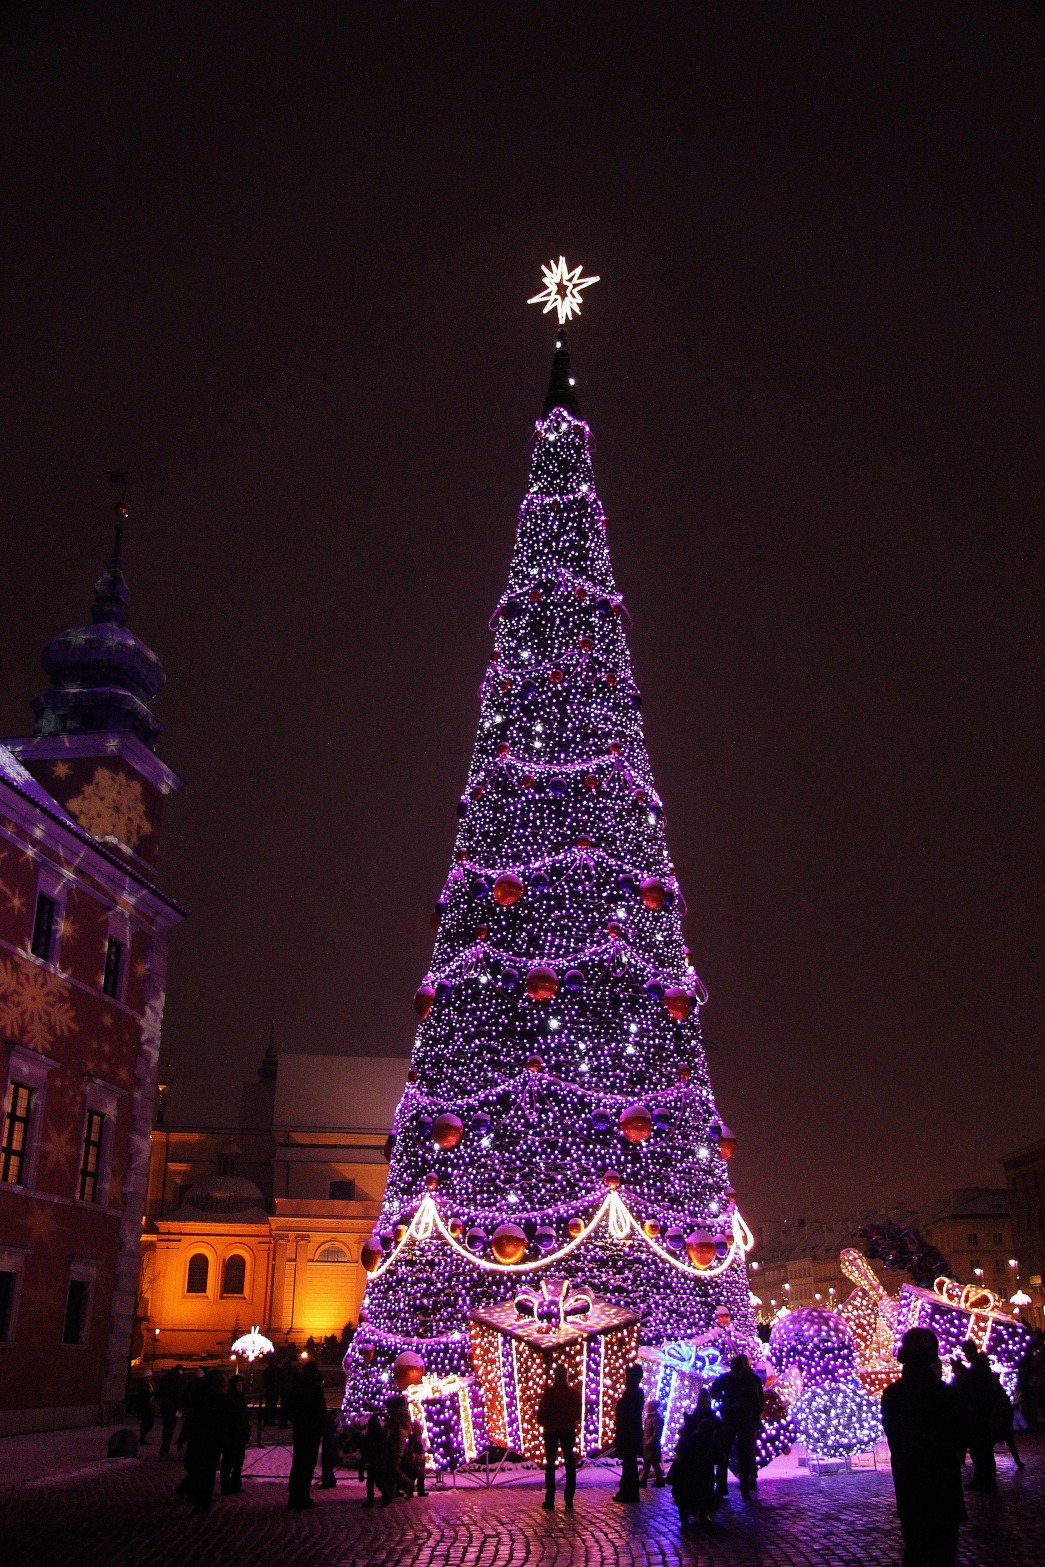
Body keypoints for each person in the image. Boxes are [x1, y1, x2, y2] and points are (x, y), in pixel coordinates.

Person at [882, 1326, 967, 1567]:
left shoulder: (893, 1394)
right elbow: (961, 1437)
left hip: (911, 1482)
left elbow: (894, 1437)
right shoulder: (945, 1393)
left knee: (916, 1548)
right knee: (944, 1550)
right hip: (943, 1482)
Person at [710, 1354, 764, 1500]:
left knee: (742, 1455)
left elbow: (759, 1402)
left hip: (742, 1421)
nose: (737, 1374)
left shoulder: (750, 1380)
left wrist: (748, 1411)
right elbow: (713, 1391)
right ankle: (727, 1488)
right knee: (728, 1454)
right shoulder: (747, 1379)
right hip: (735, 1421)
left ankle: (742, 1487)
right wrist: (724, 1400)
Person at [668, 1394, 721, 1526]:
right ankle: (699, 1511)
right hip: (693, 1477)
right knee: (702, 1487)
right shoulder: (703, 1441)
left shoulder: (692, 1440)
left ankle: (696, 1511)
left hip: (690, 1479)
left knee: (702, 1487)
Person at [181, 1370, 229, 1514]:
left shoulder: (203, 1398)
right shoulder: (221, 1400)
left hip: (201, 1439)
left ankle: (197, 1499)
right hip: (211, 1440)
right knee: (207, 1473)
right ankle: (202, 1501)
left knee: (200, 1471)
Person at [536, 1362, 582, 1511]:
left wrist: (547, 1421)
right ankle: (569, 1498)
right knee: (570, 1463)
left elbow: (541, 1413)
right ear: (566, 1375)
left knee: (550, 1464)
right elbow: (578, 1414)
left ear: (555, 1376)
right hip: (567, 1429)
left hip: (551, 1431)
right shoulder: (574, 1393)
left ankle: (550, 1499)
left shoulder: (549, 1393)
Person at [956, 1344, 999, 1492]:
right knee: (984, 1446)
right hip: (984, 1410)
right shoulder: (981, 1366)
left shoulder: (976, 1369)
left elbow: (967, 1387)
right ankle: (987, 1477)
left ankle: (983, 1478)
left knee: (978, 1447)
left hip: (977, 1411)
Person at [286, 1360, 328, 1510]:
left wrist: (297, 1422)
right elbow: (321, 1411)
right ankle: (303, 1497)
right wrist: (321, 1427)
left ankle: (294, 1497)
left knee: (298, 1465)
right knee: (307, 1465)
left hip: (300, 1431)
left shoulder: (297, 1387)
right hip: (311, 1432)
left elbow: (289, 1408)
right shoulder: (315, 1388)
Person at [612, 1363, 645, 1503]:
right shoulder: (637, 1393)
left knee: (629, 1464)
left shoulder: (632, 1393)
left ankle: (628, 1492)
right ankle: (627, 1491)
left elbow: (625, 1414)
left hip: (628, 1433)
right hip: (633, 1432)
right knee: (629, 1463)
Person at [220, 1374, 251, 1495]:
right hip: (232, 1434)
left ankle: (235, 1483)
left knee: (239, 1460)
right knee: (228, 1461)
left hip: (240, 1433)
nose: (240, 1387)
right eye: (238, 1385)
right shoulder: (229, 1399)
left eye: (242, 1385)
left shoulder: (241, 1398)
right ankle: (226, 1485)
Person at [360, 1410, 385, 1507]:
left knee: (372, 1481)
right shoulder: (381, 1433)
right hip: (378, 1459)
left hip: (373, 1460)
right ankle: (383, 1496)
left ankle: (372, 1499)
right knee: (375, 1480)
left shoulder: (370, 1435)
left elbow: (365, 1450)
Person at [639, 1397, 666, 1487]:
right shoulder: (650, 1417)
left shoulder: (657, 1418)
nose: (646, 1408)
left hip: (652, 1446)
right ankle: (646, 1480)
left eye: (647, 1407)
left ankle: (647, 1481)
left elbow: (657, 1432)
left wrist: (649, 1442)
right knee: (649, 1463)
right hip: (648, 1445)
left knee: (652, 1463)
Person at [158, 1364, 184, 1455]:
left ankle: (164, 1447)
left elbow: (160, 1391)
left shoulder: (166, 1377)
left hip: (165, 1406)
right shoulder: (177, 1379)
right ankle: (165, 1448)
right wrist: (180, 1405)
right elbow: (178, 1394)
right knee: (170, 1427)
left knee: (166, 1427)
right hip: (172, 1407)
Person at [318, 1405, 341, 1489]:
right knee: (328, 1466)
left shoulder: (329, 1430)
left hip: (329, 1450)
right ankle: (331, 1480)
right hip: (331, 1449)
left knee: (327, 1465)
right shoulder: (332, 1429)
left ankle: (326, 1482)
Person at [405, 1419, 428, 1498]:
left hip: (419, 1458)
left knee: (419, 1476)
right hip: (416, 1458)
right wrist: (413, 1454)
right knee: (414, 1475)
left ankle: (418, 1491)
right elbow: (412, 1447)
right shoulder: (413, 1437)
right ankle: (412, 1491)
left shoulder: (419, 1437)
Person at [137, 1373, 157, 1445]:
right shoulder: (144, 1385)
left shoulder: (149, 1384)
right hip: (146, 1406)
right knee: (147, 1422)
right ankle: (142, 1438)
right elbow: (145, 1395)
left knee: (148, 1422)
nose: (150, 1378)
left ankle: (143, 1437)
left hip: (149, 1405)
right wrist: (152, 1394)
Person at [261, 1355, 280, 1426]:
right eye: (273, 1361)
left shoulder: (277, 1370)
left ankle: (271, 1420)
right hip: (270, 1390)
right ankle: (266, 1421)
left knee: (273, 1406)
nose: (274, 1362)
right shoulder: (268, 1370)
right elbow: (266, 1380)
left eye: (275, 1361)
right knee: (268, 1406)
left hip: (274, 1390)